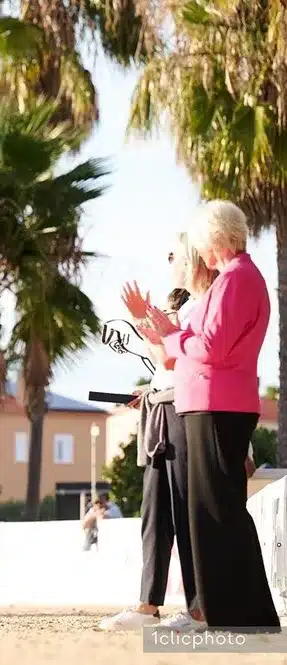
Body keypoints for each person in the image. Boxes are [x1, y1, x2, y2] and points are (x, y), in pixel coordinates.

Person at [137, 200, 280, 631]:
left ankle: (240, 613)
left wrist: (172, 337)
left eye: (200, 240)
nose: (197, 250)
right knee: (211, 511)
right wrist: (172, 335)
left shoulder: (237, 279)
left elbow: (211, 347)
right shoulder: (234, 279)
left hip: (221, 403)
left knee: (218, 511)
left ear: (215, 237)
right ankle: (232, 612)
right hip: (210, 401)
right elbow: (205, 341)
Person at [100, 234, 217, 632]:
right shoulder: (186, 306)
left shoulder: (203, 305)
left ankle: (199, 610)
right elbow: (165, 363)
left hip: (185, 412)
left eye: (175, 256)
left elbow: (178, 357)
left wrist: (146, 323)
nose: (170, 261)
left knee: (185, 514)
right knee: (155, 515)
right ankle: (148, 605)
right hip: (160, 412)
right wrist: (149, 390)